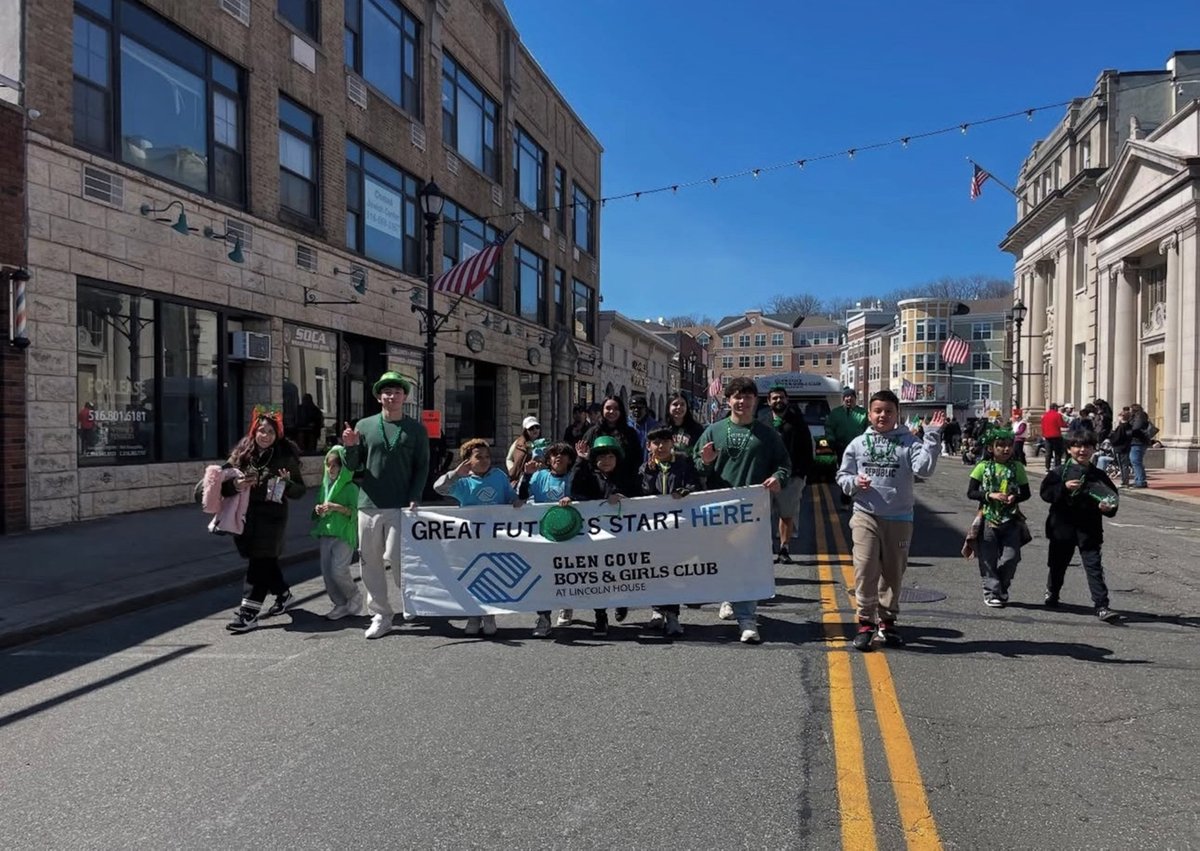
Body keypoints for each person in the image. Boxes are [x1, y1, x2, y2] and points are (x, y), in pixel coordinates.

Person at [836, 390, 944, 652]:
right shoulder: (858, 444)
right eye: (878, 411)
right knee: (864, 568)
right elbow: (842, 476)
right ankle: (865, 623)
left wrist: (931, 436)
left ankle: (887, 621)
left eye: (888, 411)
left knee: (893, 573)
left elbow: (924, 470)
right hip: (865, 514)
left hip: (899, 517)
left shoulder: (909, 442)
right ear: (869, 414)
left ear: (897, 414)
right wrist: (854, 483)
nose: (882, 415)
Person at [694, 377, 791, 644]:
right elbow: (696, 466)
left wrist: (777, 478)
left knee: (748, 561)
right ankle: (728, 596)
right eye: (736, 396)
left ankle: (747, 618)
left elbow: (784, 465)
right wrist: (705, 462)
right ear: (728, 401)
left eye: (747, 397)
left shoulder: (768, 434)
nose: (742, 402)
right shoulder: (713, 431)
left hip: (753, 510)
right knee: (724, 558)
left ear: (755, 401)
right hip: (719, 508)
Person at [341, 371, 430, 640]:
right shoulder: (365, 426)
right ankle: (381, 614)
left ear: (404, 397)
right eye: (387, 392)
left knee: (396, 556)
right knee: (369, 561)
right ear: (379, 396)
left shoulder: (415, 429)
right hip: (368, 503)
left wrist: (416, 495)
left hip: (400, 504)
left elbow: (422, 466)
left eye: (397, 392)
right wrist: (349, 447)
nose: (392, 396)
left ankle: (411, 598)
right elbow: (353, 466)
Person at [225, 408, 307, 633]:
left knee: (259, 564)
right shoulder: (242, 454)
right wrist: (236, 485)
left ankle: (248, 613)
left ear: (277, 434)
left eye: (271, 431)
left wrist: (287, 483)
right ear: (254, 431)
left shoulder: (284, 456)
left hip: (273, 518)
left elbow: (300, 491)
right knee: (265, 561)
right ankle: (283, 595)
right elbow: (222, 480)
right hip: (244, 516)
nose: (265, 435)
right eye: (261, 430)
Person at [435, 438, 523, 637]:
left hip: (495, 537)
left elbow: (510, 496)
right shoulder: (463, 482)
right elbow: (438, 488)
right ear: (467, 460)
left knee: (492, 575)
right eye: (478, 457)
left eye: (486, 456)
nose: (484, 460)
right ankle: (473, 615)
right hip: (470, 539)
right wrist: (456, 474)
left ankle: (489, 614)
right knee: (472, 575)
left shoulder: (499, 476)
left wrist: (516, 501)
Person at [1040, 429, 1121, 621]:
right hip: (1062, 528)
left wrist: (1106, 508)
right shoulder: (1058, 472)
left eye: (1087, 446)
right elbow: (1046, 494)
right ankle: (1052, 591)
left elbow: (1112, 499)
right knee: (1058, 565)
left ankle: (1102, 606)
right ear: (1069, 449)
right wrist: (1063, 488)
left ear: (1094, 449)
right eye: (1077, 446)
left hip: (1089, 529)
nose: (1082, 450)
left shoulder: (1099, 475)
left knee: (1094, 567)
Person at [568, 435, 642, 637]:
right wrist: (580, 461)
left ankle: (622, 601)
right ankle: (600, 616)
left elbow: (641, 499)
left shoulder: (627, 477)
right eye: (601, 457)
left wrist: (624, 499)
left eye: (610, 456)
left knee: (621, 573)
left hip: (622, 538)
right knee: (598, 578)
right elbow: (573, 490)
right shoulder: (589, 476)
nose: (606, 461)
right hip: (596, 538)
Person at [640, 427, 702, 636]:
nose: (661, 446)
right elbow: (642, 493)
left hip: (678, 528)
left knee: (673, 570)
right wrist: (649, 473)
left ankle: (673, 615)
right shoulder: (645, 468)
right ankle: (657, 611)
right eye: (656, 443)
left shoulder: (683, 463)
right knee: (655, 569)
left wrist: (687, 491)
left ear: (672, 443)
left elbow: (696, 486)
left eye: (665, 442)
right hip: (653, 530)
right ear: (649, 446)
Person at [966, 428, 1031, 608]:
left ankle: (1001, 586)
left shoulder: (1017, 467)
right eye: (1000, 445)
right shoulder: (982, 467)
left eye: (1009, 445)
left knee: (1012, 557)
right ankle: (992, 592)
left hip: (1011, 519)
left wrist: (1015, 497)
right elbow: (971, 493)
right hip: (988, 518)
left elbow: (1026, 493)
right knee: (988, 558)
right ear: (990, 448)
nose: (1006, 449)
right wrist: (989, 495)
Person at [518, 442, 578, 636]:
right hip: (545, 533)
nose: (558, 458)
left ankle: (566, 605)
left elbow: (586, 497)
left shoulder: (574, 477)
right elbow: (522, 496)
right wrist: (526, 475)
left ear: (570, 460)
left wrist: (573, 499)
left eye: (563, 455)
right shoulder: (539, 476)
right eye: (554, 455)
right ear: (548, 459)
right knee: (543, 576)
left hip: (570, 532)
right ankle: (544, 617)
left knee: (566, 573)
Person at [311, 446, 363, 620]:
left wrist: (336, 507)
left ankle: (354, 595)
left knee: (338, 570)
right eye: (328, 465)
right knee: (327, 572)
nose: (330, 469)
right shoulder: (325, 487)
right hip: (326, 533)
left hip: (344, 534)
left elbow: (356, 512)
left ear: (343, 467)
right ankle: (340, 604)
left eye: (335, 465)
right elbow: (317, 508)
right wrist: (318, 509)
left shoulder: (351, 488)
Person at [766, 385, 813, 564]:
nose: (779, 401)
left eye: (782, 398)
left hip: (791, 478)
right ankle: (764, 549)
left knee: (787, 514)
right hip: (766, 478)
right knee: (763, 516)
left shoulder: (798, 422)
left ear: (787, 400)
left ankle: (784, 549)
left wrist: (801, 475)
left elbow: (807, 450)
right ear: (769, 401)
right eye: (775, 398)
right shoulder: (762, 421)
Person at [580, 395, 643, 490]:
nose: (612, 412)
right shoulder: (593, 432)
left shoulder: (630, 433)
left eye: (616, 409)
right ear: (602, 410)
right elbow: (585, 459)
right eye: (608, 408)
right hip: (596, 486)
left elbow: (636, 460)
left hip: (624, 485)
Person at [826, 387, 868, 507]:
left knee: (860, 473)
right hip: (842, 447)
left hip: (860, 448)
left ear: (855, 398)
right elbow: (829, 427)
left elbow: (869, 430)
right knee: (846, 473)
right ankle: (845, 499)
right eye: (846, 397)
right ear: (843, 399)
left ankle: (860, 498)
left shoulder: (863, 413)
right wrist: (831, 440)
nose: (849, 399)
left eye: (851, 397)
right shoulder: (835, 413)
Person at [665, 392, 705, 462]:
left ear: (687, 407)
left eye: (682, 404)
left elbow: (701, 452)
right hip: (669, 469)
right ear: (668, 407)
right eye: (675, 404)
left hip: (690, 469)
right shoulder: (663, 429)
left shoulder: (697, 429)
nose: (679, 407)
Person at [506, 416, 542, 480]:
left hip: (539, 479)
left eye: (537, 427)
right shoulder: (518, 443)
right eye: (531, 428)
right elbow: (508, 459)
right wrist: (512, 470)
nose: (535, 430)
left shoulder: (543, 443)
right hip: (522, 479)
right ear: (525, 431)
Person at [1127, 403, 1153, 488]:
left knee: (1136, 461)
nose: (1129, 412)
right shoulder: (1135, 417)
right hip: (1135, 442)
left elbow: (1136, 428)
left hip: (1138, 442)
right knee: (1135, 461)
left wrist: (1127, 431)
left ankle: (1141, 481)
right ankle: (1138, 479)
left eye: (1130, 410)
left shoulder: (1140, 417)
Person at [1108, 407, 1133, 486]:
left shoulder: (1121, 427)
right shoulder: (1129, 426)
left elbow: (1117, 438)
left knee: (1122, 465)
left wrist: (1111, 437)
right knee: (1124, 464)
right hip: (1126, 447)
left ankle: (1124, 481)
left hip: (1120, 448)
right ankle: (1125, 480)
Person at [1040, 403, 1067, 471]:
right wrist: (1067, 424)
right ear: (1055, 408)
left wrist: (1043, 434)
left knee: (1048, 453)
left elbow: (1042, 426)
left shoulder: (1045, 415)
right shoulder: (1057, 415)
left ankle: (1047, 467)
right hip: (1056, 436)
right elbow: (1062, 424)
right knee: (1057, 453)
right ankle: (1057, 466)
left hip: (1047, 436)